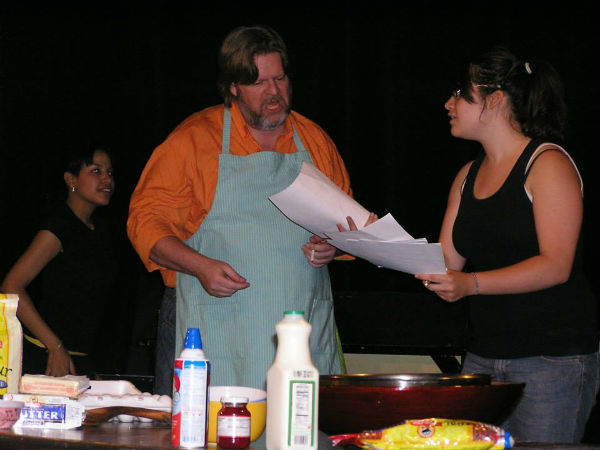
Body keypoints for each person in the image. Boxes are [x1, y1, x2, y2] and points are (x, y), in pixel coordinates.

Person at [127, 25, 363, 395]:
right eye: (258, 82)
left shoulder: (313, 141)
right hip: (219, 330)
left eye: (279, 78)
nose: (274, 92)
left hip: (301, 338)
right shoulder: (194, 140)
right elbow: (144, 224)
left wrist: (333, 245)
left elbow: (351, 225)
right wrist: (199, 266)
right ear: (234, 87)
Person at [415, 47, 599, 443]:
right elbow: (446, 264)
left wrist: (471, 284)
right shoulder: (467, 174)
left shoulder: (547, 163)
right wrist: (372, 239)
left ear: (495, 100)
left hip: (550, 359)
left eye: (460, 94)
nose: (448, 103)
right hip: (483, 355)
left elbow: (556, 265)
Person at [1, 148, 116, 377]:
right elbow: (11, 286)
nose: (107, 179)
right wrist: (54, 346)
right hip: (48, 358)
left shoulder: (100, 230)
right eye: (96, 171)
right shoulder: (59, 227)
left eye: (110, 172)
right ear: (71, 180)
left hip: (79, 359)